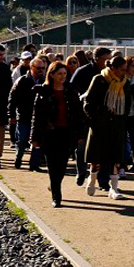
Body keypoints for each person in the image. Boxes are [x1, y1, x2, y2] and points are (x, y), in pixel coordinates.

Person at [31, 61, 84, 208]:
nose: (63, 76)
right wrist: (34, 138)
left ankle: (54, 184)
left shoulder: (71, 90)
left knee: (62, 165)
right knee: (53, 165)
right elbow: (37, 116)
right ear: (52, 74)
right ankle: (57, 196)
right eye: (59, 74)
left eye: (65, 74)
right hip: (50, 133)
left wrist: (80, 134)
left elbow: (78, 114)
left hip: (67, 132)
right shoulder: (43, 91)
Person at [83, 55, 131, 200]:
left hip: (117, 125)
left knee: (116, 157)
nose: (124, 72)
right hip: (99, 125)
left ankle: (114, 188)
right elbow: (88, 103)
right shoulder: (99, 79)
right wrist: (96, 119)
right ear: (113, 68)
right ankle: (92, 180)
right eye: (122, 70)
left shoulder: (125, 83)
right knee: (96, 157)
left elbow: (127, 104)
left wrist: (123, 120)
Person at [69, 47, 112, 186]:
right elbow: (71, 91)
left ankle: (103, 180)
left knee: (104, 149)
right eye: (106, 60)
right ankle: (81, 172)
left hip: (104, 117)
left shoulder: (110, 74)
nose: (108, 63)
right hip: (84, 116)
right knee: (82, 148)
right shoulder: (82, 72)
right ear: (96, 59)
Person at [8, 55, 47, 170]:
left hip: (38, 117)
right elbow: (12, 98)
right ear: (31, 67)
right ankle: (18, 158)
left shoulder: (44, 81)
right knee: (22, 140)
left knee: (37, 141)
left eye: (43, 68)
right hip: (24, 116)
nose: (41, 70)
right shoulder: (22, 81)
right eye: (38, 68)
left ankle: (34, 164)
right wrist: (12, 115)